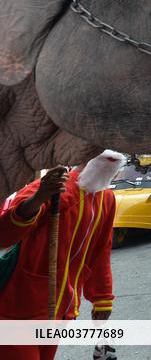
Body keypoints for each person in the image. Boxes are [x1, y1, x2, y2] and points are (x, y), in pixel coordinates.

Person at [0, 150, 126, 360]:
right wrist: (38, 198)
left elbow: (100, 252)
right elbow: (4, 235)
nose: (111, 156)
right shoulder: (52, 188)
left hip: (61, 312)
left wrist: (102, 299)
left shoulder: (107, 198)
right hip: (18, 311)